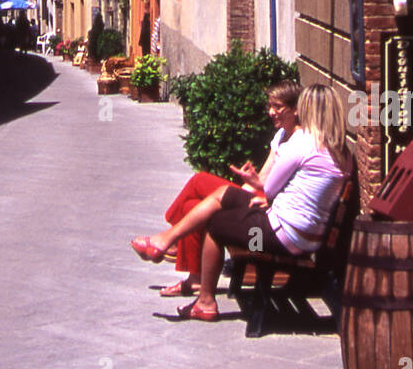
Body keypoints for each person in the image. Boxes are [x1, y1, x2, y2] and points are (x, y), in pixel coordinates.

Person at [130, 83, 350, 321]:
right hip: (302, 236)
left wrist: (258, 185)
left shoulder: (303, 143)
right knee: (220, 195)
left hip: (282, 235)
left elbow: (271, 187)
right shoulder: (343, 152)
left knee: (215, 224)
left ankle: (202, 296)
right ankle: (169, 242)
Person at [145, 82, 300, 298]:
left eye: (278, 107)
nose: (271, 112)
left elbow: (283, 189)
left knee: (200, 180)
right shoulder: (281, 136)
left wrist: (251, 192)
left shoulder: (299, 144)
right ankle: (193, 277)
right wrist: (245, 186)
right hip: (257, 196)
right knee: (193, 205)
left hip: (267, 208)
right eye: (270, 106)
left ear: (296, 109)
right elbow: (264, 177)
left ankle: (173, 238)